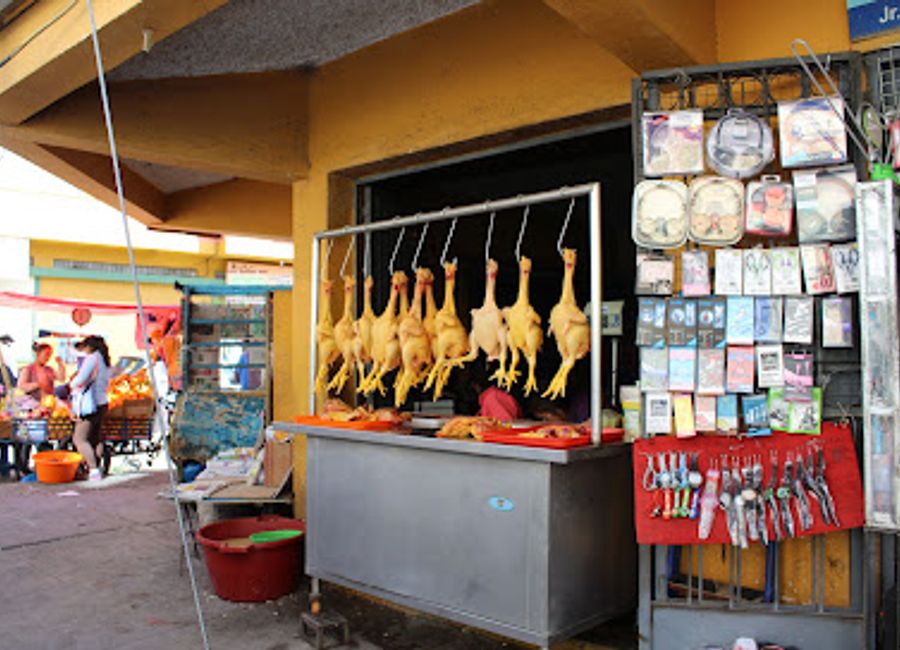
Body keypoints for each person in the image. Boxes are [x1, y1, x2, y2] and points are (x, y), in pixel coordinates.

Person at [69, 336, 111, 481]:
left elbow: (81, 379)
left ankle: (93, 469)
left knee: (79, 439)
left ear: (90, 347)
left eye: (84, 347)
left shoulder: (93, 358)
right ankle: (98, 467)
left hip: (90, 404)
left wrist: (71, 383)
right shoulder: (104, 360)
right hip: (102, 402)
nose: (83, 350)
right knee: (95, 438)